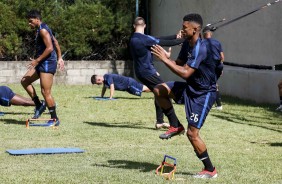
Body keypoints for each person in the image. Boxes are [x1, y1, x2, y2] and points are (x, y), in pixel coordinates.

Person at [151, 13, 218, 178]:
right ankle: (175, 125)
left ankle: (210, 170)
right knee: (159, 90)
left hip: (204, 94)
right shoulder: (187, 44)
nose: (181, 30)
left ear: (195, 29)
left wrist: (165, 61)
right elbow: (179, 65)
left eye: (184, 28)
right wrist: (169, 59)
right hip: (190, 88)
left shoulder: (201, 48)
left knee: (192, 134)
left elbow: (186, 73)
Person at [130, 16, 184, 129]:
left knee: (158, 92)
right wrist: (185, 39)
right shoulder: (145, 39)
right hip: (147, 72)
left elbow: (158, 38)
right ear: (144, 25)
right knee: (164, 91)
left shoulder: (135, 38)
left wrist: (176, 36)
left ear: (134, 26)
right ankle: (174, 124)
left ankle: (160, 121)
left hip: (140, 72)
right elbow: (163, 41)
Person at [20, 10, 64, 126]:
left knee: (45, 92)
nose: (29, 24)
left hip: (47, 63)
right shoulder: (42, 28)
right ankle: (39, 105)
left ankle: (54, 119)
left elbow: (50, 48)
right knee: (25, 81)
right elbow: (55, 41)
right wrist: (60, 57)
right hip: (42, 62)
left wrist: (37, 60)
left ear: (37, 19)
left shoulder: (43, 30)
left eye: (31, 21)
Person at [202, 26, 224, 110]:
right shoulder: (217, 42)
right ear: (210, 34)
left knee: (209, 85)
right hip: (218, 66)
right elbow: (222, 57)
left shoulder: (202, 43)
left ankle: (215, 105)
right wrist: (221, 68)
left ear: (204, 34)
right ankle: (218, 105)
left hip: (209, 67)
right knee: (213, 84)